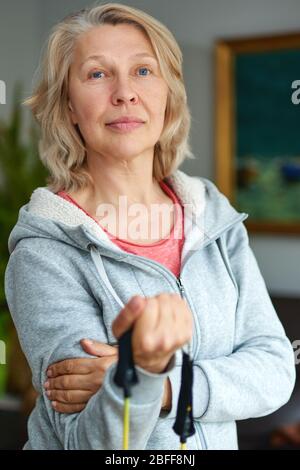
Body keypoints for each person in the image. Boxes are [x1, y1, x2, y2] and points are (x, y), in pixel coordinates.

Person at [4, 2, 296, 450]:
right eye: (98, 74)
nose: (125, 93)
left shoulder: (213, 216)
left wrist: (158, 383)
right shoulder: (45, 251)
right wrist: (141, 370)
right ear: (68, 105)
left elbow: (276, 370)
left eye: (143, 71)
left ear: (168, 93)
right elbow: (90, 443)